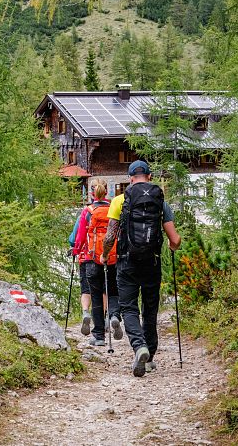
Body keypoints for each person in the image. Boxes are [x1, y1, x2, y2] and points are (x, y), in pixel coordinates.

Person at [102, 160, 181, 377]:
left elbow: (110, 235)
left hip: (127, 261)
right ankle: (150, 356)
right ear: (150, 176)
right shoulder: (160, 201)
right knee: (150, 308)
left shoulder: (120, 200)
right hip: (152, 262)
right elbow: (174, 239)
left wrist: (105, 253)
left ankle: (139, 347)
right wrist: (174, 246)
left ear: (130, 178)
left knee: (128, 308)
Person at [74, 179, 122, 346]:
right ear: (107, 192)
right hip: (112, 258)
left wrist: (76, 251)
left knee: (95, 295)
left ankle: (99, 336)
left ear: (92, 193)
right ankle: (114, 316)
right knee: (113, 291)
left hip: (93, 259)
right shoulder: (113, 209)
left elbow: (79, 237)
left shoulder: (87, 211)